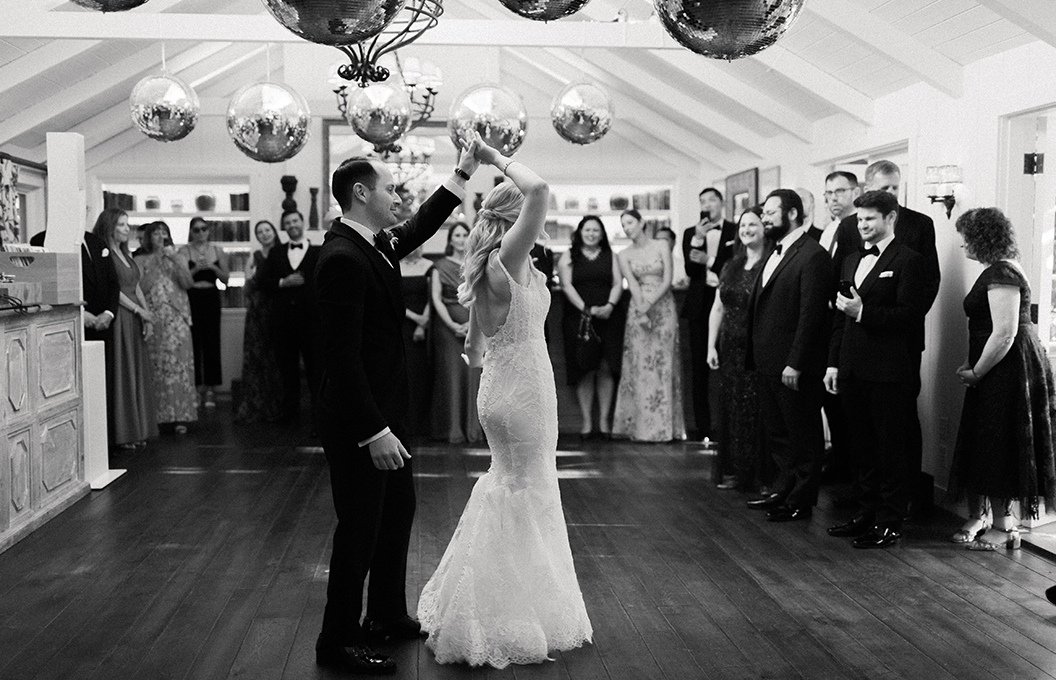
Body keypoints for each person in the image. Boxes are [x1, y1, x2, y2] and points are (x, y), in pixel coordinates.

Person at [418, 136, 592, 668]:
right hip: (522, 390)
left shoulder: (496, 265)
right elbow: (538, 187)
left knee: (513, 484)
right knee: (526, 489)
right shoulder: (508, 259)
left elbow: (472, 348)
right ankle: (504, 611)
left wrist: (502, 358)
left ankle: (503, 598)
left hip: (507, 385)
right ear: (519, 221)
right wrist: (492, 160)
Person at [313, 143, 479, 676]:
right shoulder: (340, 257)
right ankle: (336, 640)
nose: (398, 195)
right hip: (364, 422)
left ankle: (384, 613)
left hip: (390, 414)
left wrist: (463, 172)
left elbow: (423, 223)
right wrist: (373, 431)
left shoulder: (374, 242)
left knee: (396, 515)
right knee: (359, 527)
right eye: (389, 188)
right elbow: (339, 357)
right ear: (361, 194)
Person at [833, 161, 941, 514]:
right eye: (884, 187)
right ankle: (865, 507)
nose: (864, 225)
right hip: (854, 352)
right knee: (860, 435)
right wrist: (836, 358)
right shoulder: (851, 234)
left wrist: (877, 318)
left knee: (898, 428)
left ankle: (901, 503)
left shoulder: (918, 229)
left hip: (898, 346)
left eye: (895, 188)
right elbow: (844, 296)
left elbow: (926, 287)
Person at [947, 208, 1056, 550]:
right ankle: (983, 516)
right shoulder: (998, 269)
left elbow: (1005, 333)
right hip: (996, 365)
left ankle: (1003, 525)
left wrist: (978, 371)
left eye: (967, 238)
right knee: (986, 440)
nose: (963, 246)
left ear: (983, 238)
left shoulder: (1003, 271)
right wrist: (972, 362)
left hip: (1008, 368)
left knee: (999, 443)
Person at [824, 191, 927, 549]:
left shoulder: (909, 260)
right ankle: (866, 514)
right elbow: (840, 318)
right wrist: (833, 363)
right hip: (851, 368)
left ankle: (889, 521)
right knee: (861, 449)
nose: (863, 225)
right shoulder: (851, 258)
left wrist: (864, 313)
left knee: (891, 450)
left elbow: (911, 317)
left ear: (891, 218)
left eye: (870, 219)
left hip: (889, 371)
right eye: (860, 219)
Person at [745, 189, 830, 522]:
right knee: (779, 433)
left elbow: (811, 315)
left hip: (793, 364)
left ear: (792, 214)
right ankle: (784, 489)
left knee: (803, 434)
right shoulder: (776, 251)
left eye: (769, 212)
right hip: (767, 360)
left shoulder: (812, 255)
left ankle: (802, 499)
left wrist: (795, 362)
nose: (764, 218)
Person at [706, 207, 767, 491]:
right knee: (731, 407)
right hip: (729, 345)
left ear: (765, 228)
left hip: (755, 346)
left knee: (754, 409)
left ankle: (757, 474)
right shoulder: (731, 265)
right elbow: (718, 306)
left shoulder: (770, 263)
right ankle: (734, 470)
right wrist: (711, 346)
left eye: (753, 224)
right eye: (743, 225)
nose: (747, 230)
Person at [612, 208, 685, 442]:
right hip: (638, 307)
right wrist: (641, 309)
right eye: (623, 224)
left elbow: (668, 280)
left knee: (663, 365)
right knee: (640, 366)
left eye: (630, 222)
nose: (627, 227)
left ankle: (665, 429)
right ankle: (639, 428)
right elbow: (631, 283)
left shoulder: (661, 245)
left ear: (642, 222)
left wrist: (650, 304)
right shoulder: (623, 254)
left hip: (663, 307)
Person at [92, 208, 158, 449]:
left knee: (136, 371)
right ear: (110, 227)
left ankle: (138, 429)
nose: (126, 229)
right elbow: (114, 291)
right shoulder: (106, 254)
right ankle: (124, 433)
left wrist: (146, 313)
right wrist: (138, 311)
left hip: (135, 315)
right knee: (124, 371)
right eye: (121, 224)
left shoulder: (125, 254)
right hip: (121, 315)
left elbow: (135, 285)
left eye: (126, 224)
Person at [557, 215, 624, 439]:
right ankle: (586, 422)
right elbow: (566, 285)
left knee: (606, 368)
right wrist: (585, 308)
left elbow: (617, 284)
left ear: (602, 233)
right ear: (580, 232)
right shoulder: (569, 256)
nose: (592, 234)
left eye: (596, 230)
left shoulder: (611, 256)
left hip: (608, 317)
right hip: (579, 319)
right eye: (587, 230)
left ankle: (604, 422)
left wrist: (610, 305)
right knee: (584, 368)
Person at [682, 187, 737, 443]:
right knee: (698, 368)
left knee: (728, 362)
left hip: (727, 301)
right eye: (702, 201)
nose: (707, 205)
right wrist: (697, 240)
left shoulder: (736, 230)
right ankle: (702, 427)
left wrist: (709, 258)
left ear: (721, 203)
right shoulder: (689, 233)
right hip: (699, 304)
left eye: (711, 200)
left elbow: (733, 265)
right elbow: (691, 269)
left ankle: (728, 424)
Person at [134, 221, 197, 433]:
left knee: (179, 366)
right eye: (156, 233)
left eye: (164, 232)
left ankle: (181, 416)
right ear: (148, 237)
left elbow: (188, 283)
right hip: (154, 318)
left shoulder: (178, 256)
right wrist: (154, 262)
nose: (161, 236)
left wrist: (174, 260)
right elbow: (141, 287)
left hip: (177, 318)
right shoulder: (140, 259)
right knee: (156, 367)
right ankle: (157, 417)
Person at [259, 210, 320, 424]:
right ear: (283, 227)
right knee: (287, 370)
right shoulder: (275, 253)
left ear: (302, 223)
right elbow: (262, 282)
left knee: (315, 370)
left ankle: (318, 416)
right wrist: (282, 283)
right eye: (287, 222)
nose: (292, 224)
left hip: (311, 322)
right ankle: (290, 416)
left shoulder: (318, 252)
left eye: (295, 220)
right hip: (282, 322)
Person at [429, 222, 484, 443]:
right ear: (450, 239)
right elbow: (436, 298)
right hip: (447, 328)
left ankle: (473, 429)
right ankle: (452, 429)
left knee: (474, 376)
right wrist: (453, 325)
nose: (461, 239)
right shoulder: (439, 266)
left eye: (465, 235)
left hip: (476, 325)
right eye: (457, 235)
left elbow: (483, 295)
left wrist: (473, 325)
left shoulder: (478, 264)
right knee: (452, 376)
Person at [235, 220, 284, 423]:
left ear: (274, 232)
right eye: (260, 231)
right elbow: (247, 288)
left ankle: (278, 407)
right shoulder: (254, 257)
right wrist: (251, 277)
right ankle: (256, 404)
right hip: (257, 311)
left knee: (275, 358)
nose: (264, 234)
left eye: (267, 230)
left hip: (277, 310)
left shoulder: (283, 253)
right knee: (256, 357)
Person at [180, 216, 229, 408]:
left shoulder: (217, 250)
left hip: (211, 297)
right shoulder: (184, 251)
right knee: (193, 343)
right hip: (191, 297)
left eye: (203, 229)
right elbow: (181, 279)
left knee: (212, 342)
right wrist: (195, 270)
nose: (200, 233)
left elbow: (226, 279)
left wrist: (213, 267)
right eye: (196, 229)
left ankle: (211, 388)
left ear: (209, 230)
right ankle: (195, 387)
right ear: (191, 232)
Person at [401, 244, 433, 442]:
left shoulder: (429, 266)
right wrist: (415, 318)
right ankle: (404, 423)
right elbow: (392, 297)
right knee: (404, 372)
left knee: (422, 372)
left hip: (426, 323)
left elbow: (433, 297)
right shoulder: (394, 265)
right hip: (402, 323)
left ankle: (422, 423)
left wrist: (424, 322)